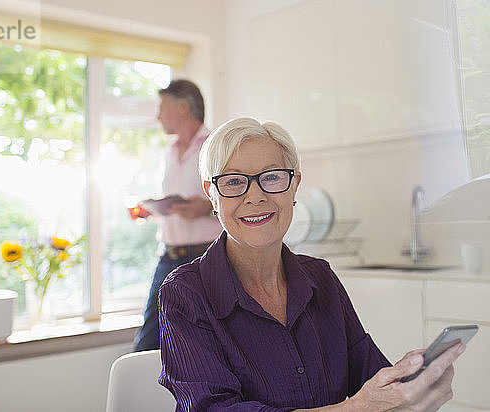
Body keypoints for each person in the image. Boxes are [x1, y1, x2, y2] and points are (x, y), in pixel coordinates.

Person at [157, 117, 465, 410]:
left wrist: (410, 393)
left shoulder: (321, 278)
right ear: (212, 194)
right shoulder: (185, 294)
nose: (255, 196)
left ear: (294, 186)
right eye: (234, 181)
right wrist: (357, 408)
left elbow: (370, 378)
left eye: (272, 177)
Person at [134, 79, 222, 352]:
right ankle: (142, 394)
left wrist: (208, 207)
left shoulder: (216, 146)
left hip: (205, 258)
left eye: (162, 107)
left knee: (208, 341)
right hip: (169, 255)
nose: (158, 116)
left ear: (183, 107)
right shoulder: (170, 152)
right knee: (150, 338)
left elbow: (238, 195)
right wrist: (153, 211)